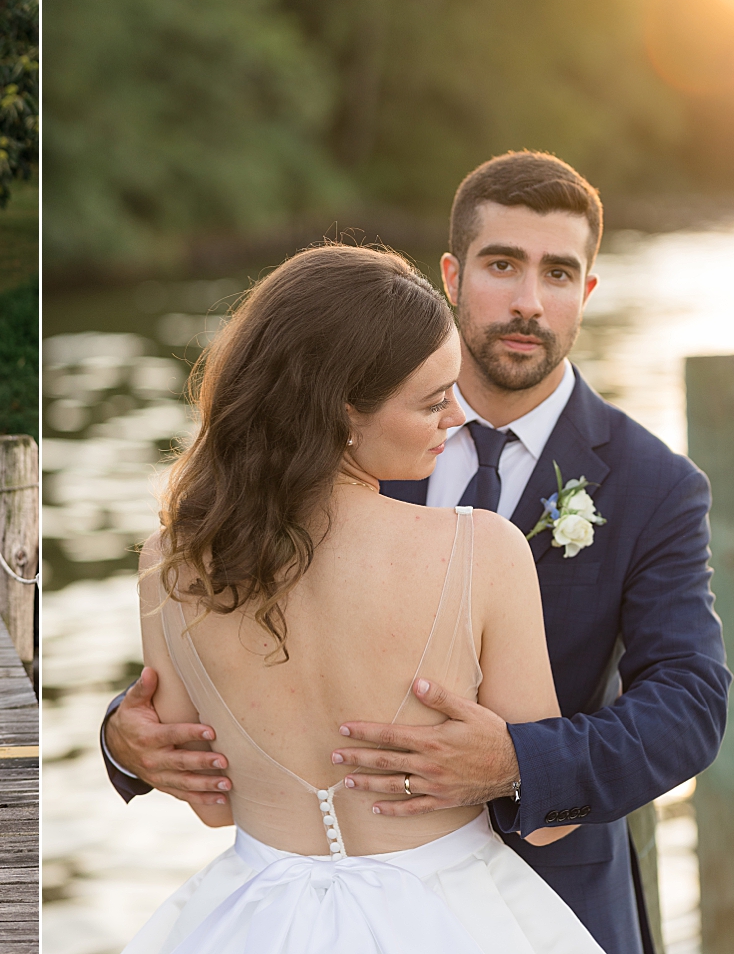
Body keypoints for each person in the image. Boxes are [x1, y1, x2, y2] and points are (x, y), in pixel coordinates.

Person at [103, 152, 730, 954]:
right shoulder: (358, 429)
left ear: (588, 292)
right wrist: (125, 733)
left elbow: (690, 703)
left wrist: (518, 761)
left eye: (560, 273)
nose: (529, 300)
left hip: (553, 898)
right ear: (453, 274)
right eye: (503, 264)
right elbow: (250, 611)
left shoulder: (655, 483)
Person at [121, 243, 602, 953]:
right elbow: (551, 816)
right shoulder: (483, 549)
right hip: (452, 914)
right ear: (344, 411)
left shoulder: (172, 564)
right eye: (435, 401)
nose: (455, 419)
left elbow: (213, 803)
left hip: (254, 920)